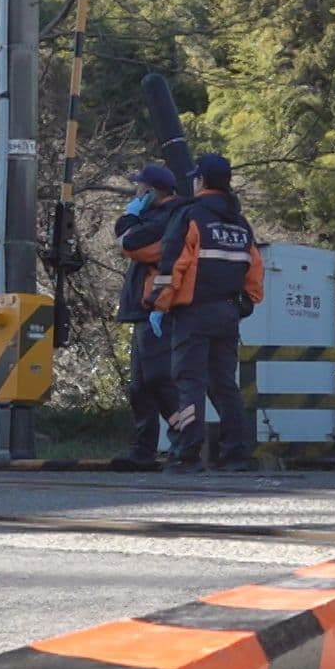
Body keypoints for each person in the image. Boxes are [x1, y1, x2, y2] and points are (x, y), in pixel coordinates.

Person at [150, 153, 264, 474]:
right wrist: (243, 304)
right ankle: (237, 455)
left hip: (193, 314)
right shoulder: (240, 225)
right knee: (225, 385)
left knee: (190, 383)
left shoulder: (191, 217)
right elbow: (255, 273)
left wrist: (159, 305)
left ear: (201, 180)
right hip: (228, 314)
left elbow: (173, 266)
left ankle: (187, 454)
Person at [114, 163, 187, 468]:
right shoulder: (157, 216)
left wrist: (131, 216)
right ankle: (144, 451)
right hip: (144, 309)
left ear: (151, 191)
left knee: (158, 379)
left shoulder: (169, 216)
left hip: (159, 307)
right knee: (139, 386)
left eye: (140, 187)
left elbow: (129, 242)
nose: (136, 191)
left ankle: (184, 441)